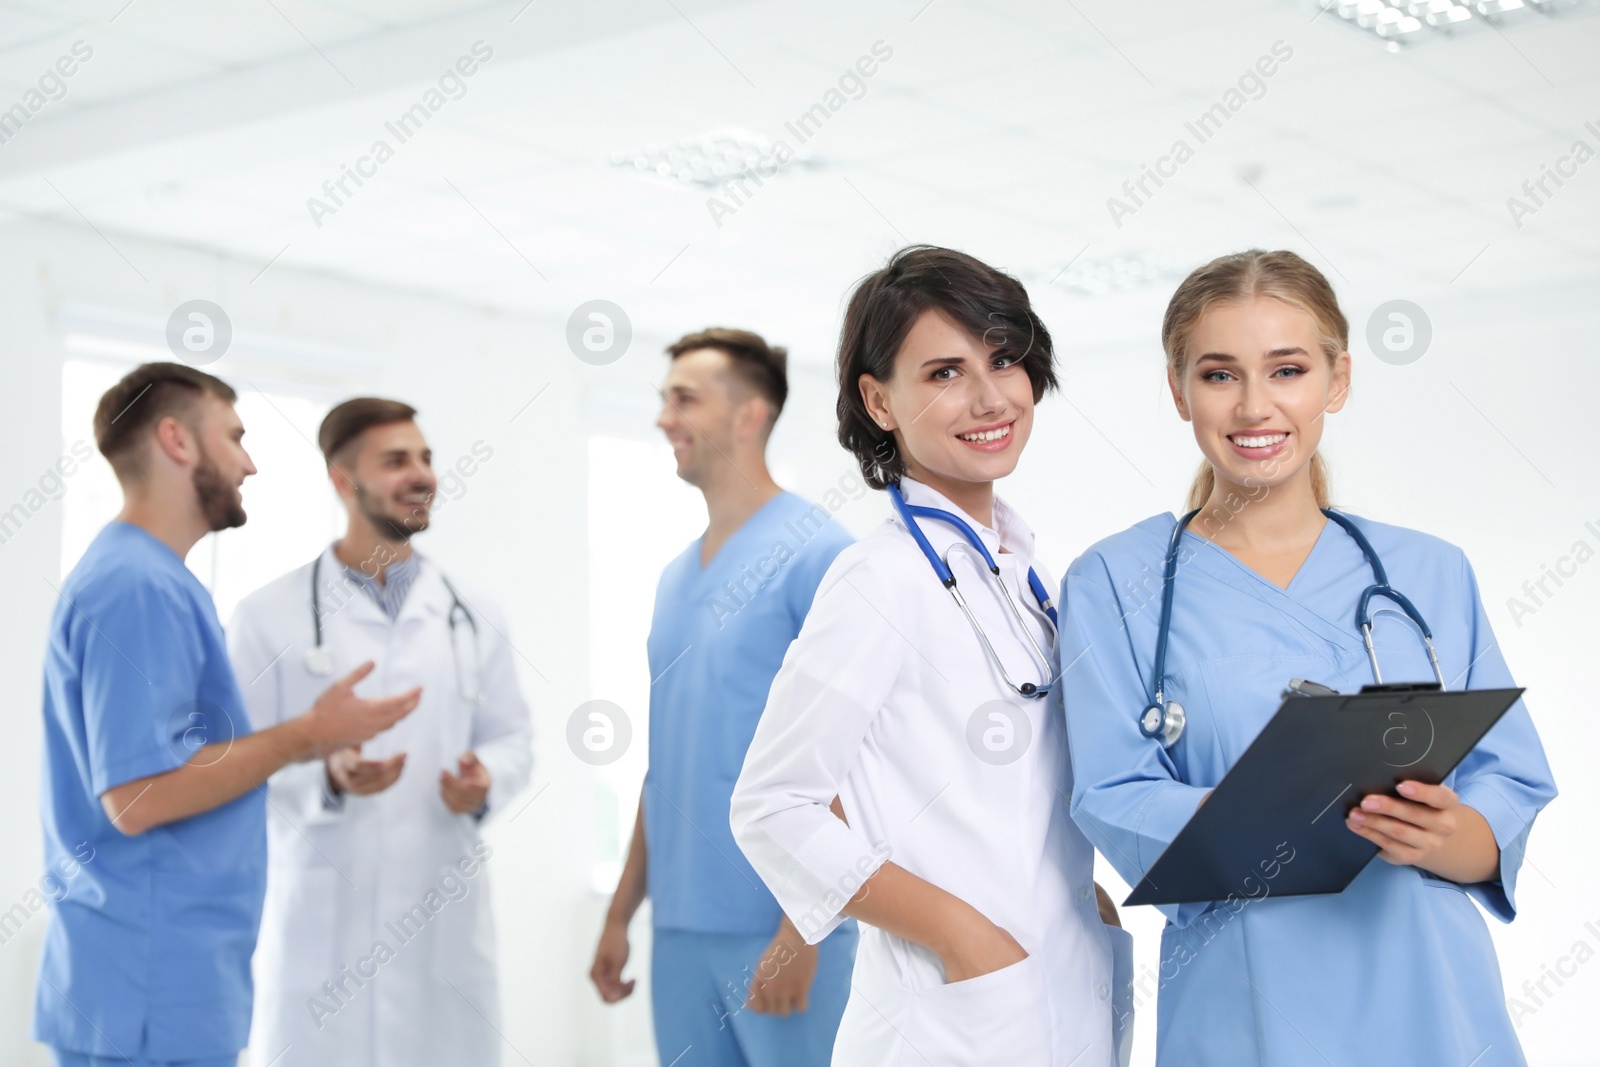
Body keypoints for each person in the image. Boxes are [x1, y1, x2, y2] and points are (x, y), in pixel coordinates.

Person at [1058, 249, 1558, 1066]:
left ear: (1337, 380)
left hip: (1430, 996)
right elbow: (1111, 793)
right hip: (1246, 1002)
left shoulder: (1430, 570)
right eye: (1220, 375)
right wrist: (1254, 812)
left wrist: (1454, 834)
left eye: (1287, 369)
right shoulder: (1116, 580)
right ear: (1179, 389)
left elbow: (1510, 783)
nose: (1256, 405)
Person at [731, 246, 1130, 1067]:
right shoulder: (879, 578)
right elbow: (774, 803)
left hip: (1060, 988)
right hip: (956, 1018)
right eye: (945, 372)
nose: (990, 396)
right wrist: (962, 935)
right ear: (879, 400)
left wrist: (1083, 897)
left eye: (1005, 358)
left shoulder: (1025, 573)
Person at [34, 363, 421, 1067]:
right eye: (235, 437)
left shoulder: (151, 578)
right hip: (149, 988)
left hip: (158, 983)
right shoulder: (137, 585)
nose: (249, 462)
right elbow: (138, 794)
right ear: (177, 441)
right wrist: (309, 733)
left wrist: (312, 747)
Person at [228, 398, 533, 1067]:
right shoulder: (265, 618)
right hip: (320, 928)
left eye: (425, 457)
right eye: (397, 460)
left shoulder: (473, 613)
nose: (422, 474)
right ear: (344, 479)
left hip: (440, 926)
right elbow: (234, 768)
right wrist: (326, 779)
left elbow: (514, 738)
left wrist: (483, 780)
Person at [589, 328, 858, 1067]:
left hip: (778, 927)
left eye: (684, 398)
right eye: (663, 398)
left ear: (750, 416)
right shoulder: (676, 578)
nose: (663, 418)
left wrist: (804, 929)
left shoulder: (819, 553)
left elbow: (848, 759)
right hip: (679, 928)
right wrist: (622, 913)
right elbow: (665, 762)